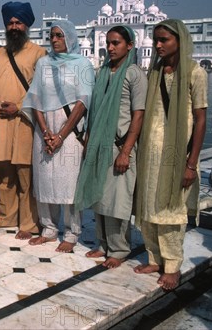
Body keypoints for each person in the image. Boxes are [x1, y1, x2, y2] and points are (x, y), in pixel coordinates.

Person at [133, 19, 207, 290]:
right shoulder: (155, 71)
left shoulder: (195, 73)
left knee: (171, 210)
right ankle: (154, 257)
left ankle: (173, 265)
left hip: (176, 155)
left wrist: (191, 163)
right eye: (156, 40)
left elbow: (200, 119)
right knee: (149, 206)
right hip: (150, 155)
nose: (158, 45)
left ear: (180, 40)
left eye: (164, 40)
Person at [74, 26, 147, 268]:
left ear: (130, 45)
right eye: (108, 43)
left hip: (120, 146)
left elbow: (138, 115)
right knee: (99, 196)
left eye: (116, 43)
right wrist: (88, 138)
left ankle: (119, 249)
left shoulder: (134, 74)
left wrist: (126, 151)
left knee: (117, 201)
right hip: (99, 143)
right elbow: (95, 110)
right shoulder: (103, 72)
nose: (111, 47)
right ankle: (102, 244)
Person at [22, 19, 94, 252]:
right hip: (44, 128)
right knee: (44, 179)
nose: (54, 40)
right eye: (52, 35)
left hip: (70, 129)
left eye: (59, 35)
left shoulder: (82, 64)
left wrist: (61, 135)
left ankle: (72, 232)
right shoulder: (43, 63)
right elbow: (35, 99)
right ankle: (49, 228)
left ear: (70, 38)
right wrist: (45, 132)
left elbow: (83, 101)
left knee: (69, 181)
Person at [0, 2, 47, 240]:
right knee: (3, 174)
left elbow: (43, 90)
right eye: (10, 22)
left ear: (26, 24)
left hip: (24, 122)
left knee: (25, 173)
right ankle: (5, 216)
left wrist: (19, 107)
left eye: (18, 22)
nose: (14, 26)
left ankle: (29, 223)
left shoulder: (39, 53)